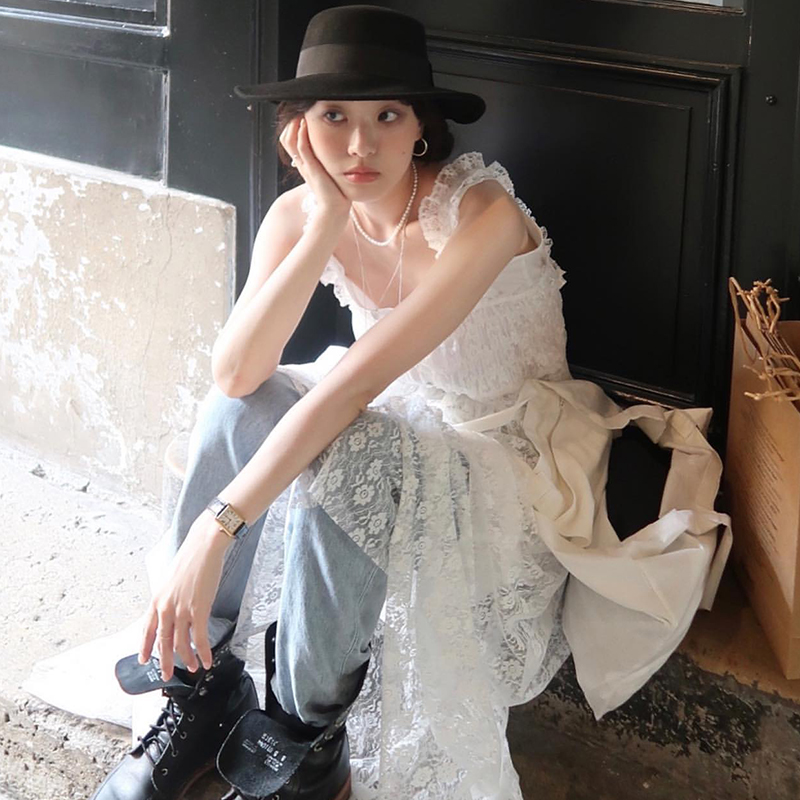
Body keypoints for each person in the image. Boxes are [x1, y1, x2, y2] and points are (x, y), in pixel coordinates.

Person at [81, 5, 732, 800]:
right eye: (334, 116)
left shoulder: (483, 215)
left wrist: (217, 529)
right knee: (237, 412)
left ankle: (305, 743)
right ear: (299, 128)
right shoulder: (307, 211)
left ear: (421, 124)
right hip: (394, 413)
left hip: (502, 456)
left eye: (386, 115)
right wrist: (324, 219)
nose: (360, 145)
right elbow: (236, 373)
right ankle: (203, 689)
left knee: (356, 442)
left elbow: (357, 386)